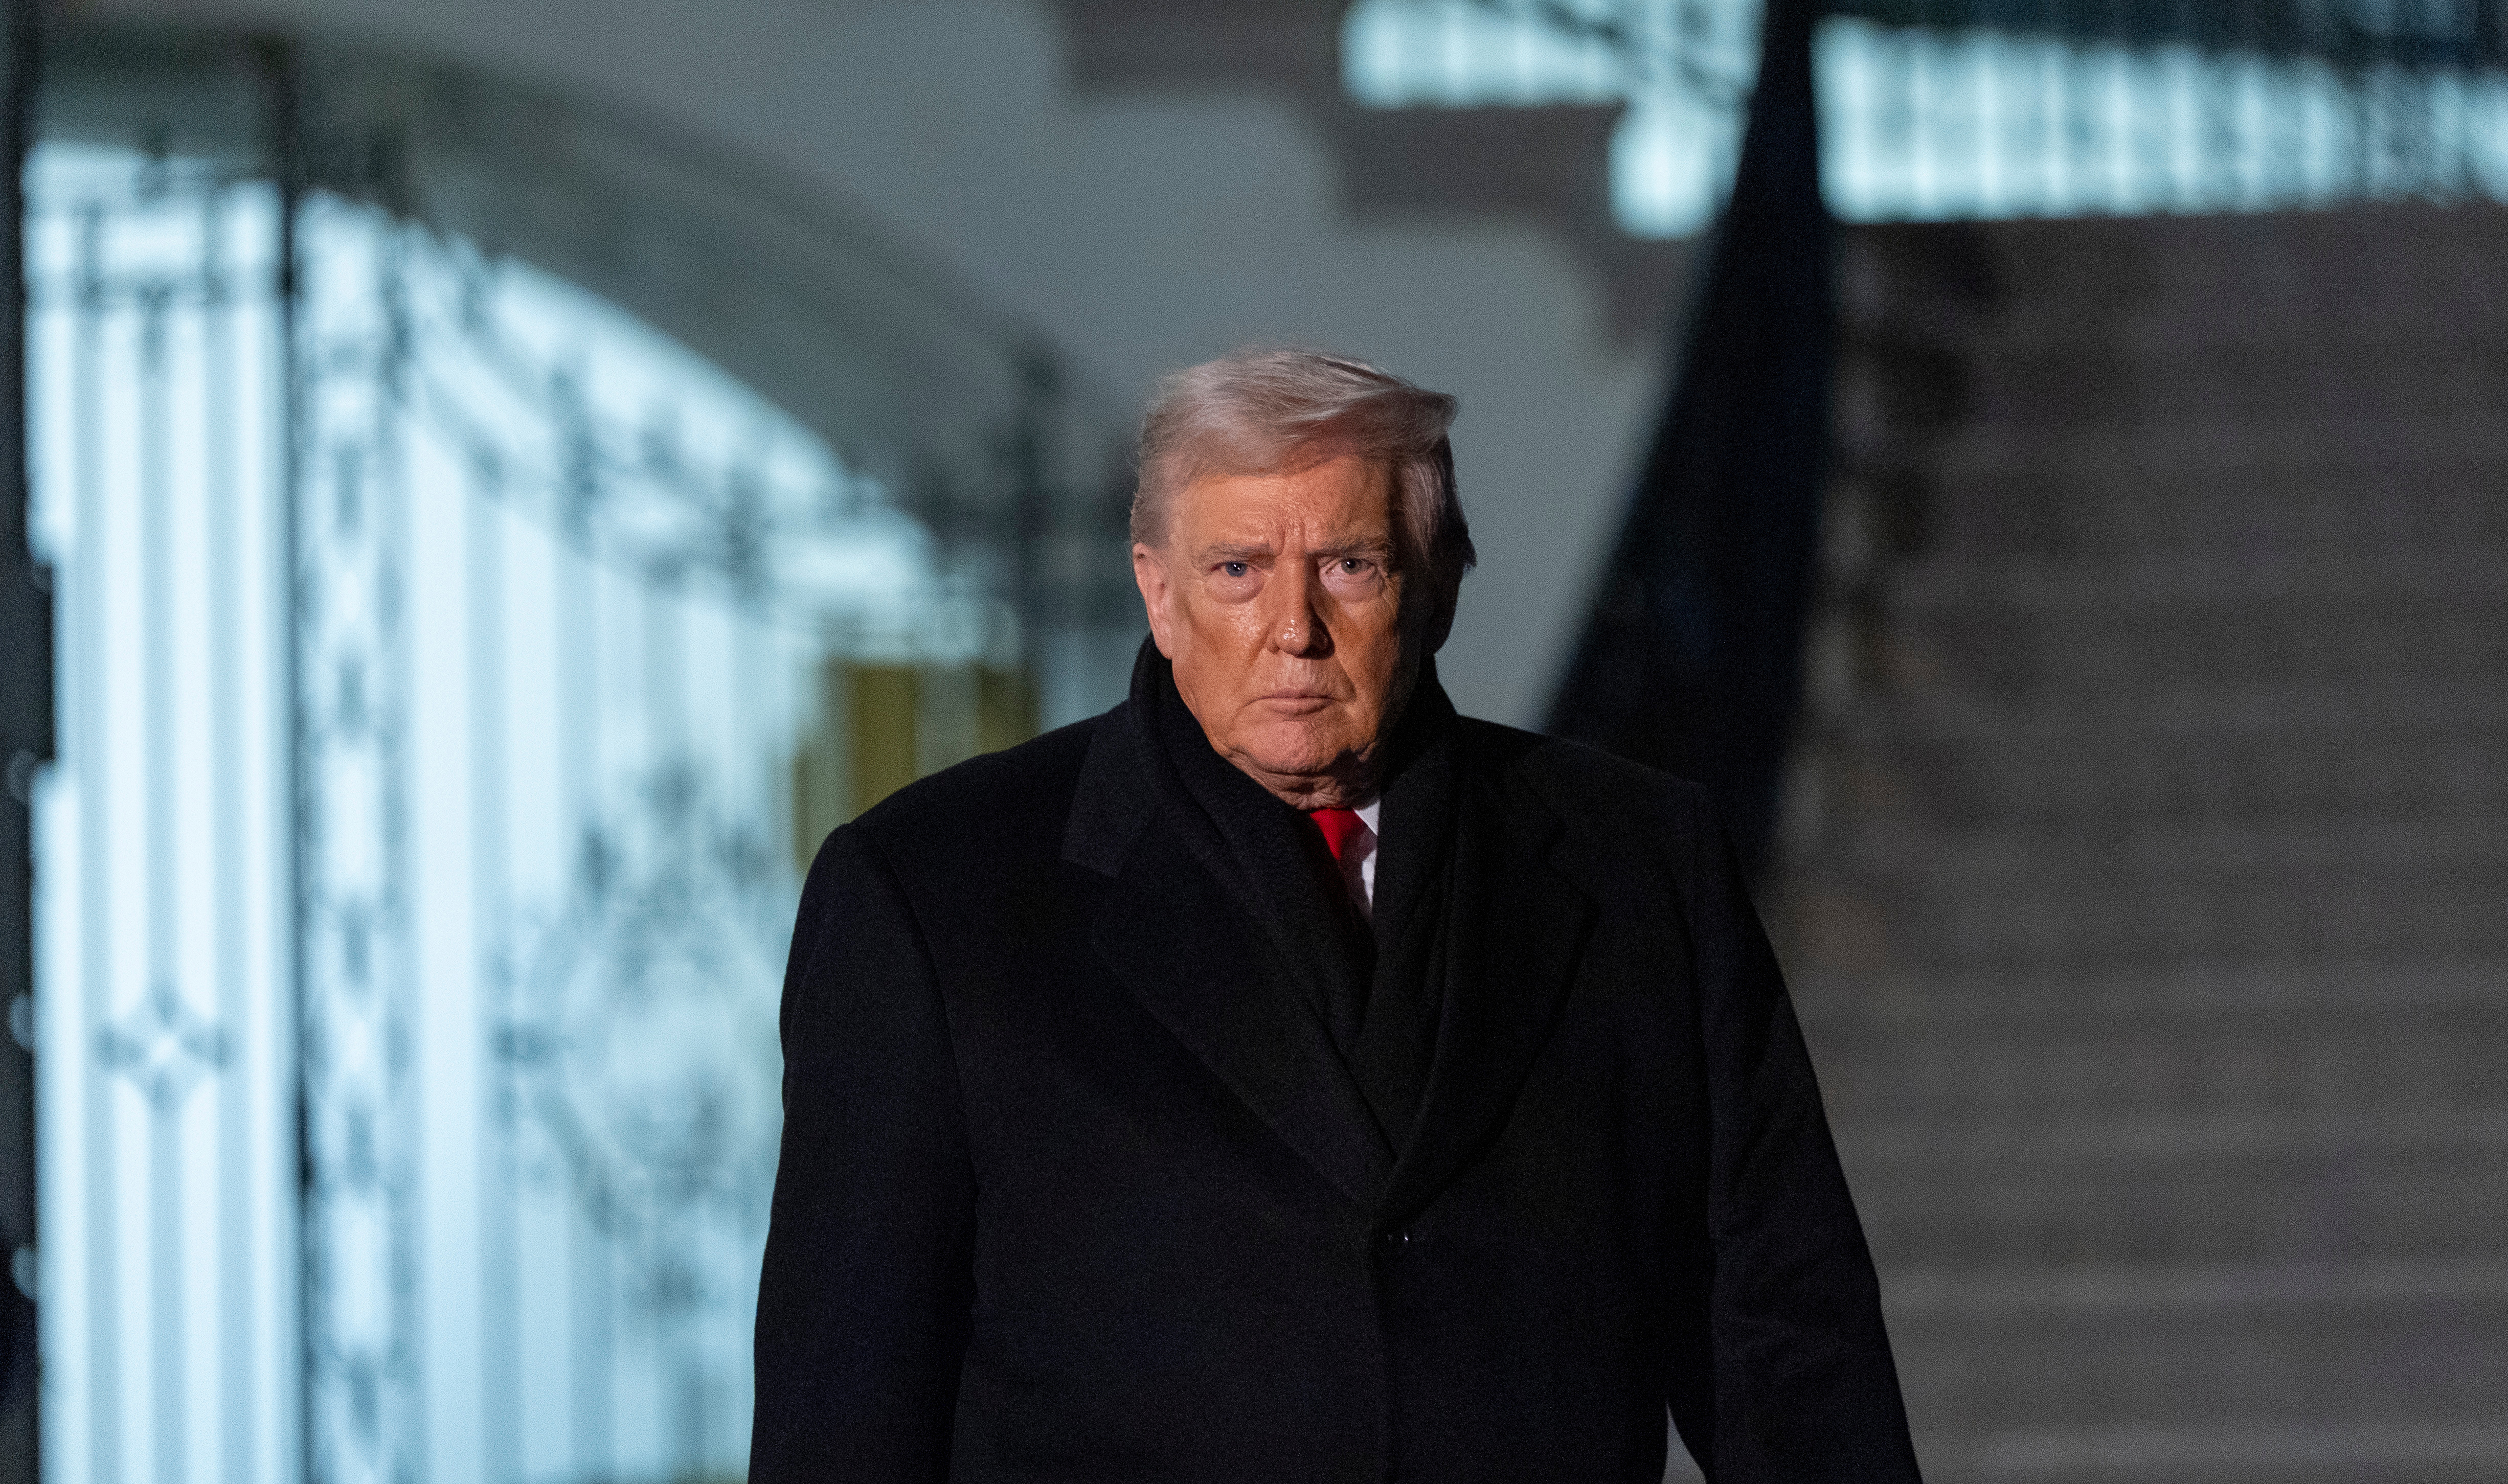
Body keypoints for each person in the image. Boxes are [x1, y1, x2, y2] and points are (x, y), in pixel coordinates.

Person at [751, 348, 1922, 1483]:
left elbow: (1778, 1332)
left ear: (1442, 577)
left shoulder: (1639, 864)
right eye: (1237, 571)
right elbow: (845, 1406)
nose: (1294, 628)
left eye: (1351, 566)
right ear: (1157, 593)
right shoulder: (931, 896)